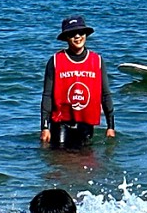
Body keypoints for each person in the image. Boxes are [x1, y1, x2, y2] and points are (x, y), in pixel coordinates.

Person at [41, 16, 116, 149]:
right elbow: (47, 96)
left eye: (80, 33)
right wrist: (45, 127)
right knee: (60, 162)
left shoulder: (97, 61)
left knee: (84, 162)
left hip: (86, 123)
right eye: (71, 34)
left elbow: (105, 95)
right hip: (61, 124)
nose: (77, 36)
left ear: (86, 35)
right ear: (66, 38)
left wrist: (110, 126)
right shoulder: (55, 61)